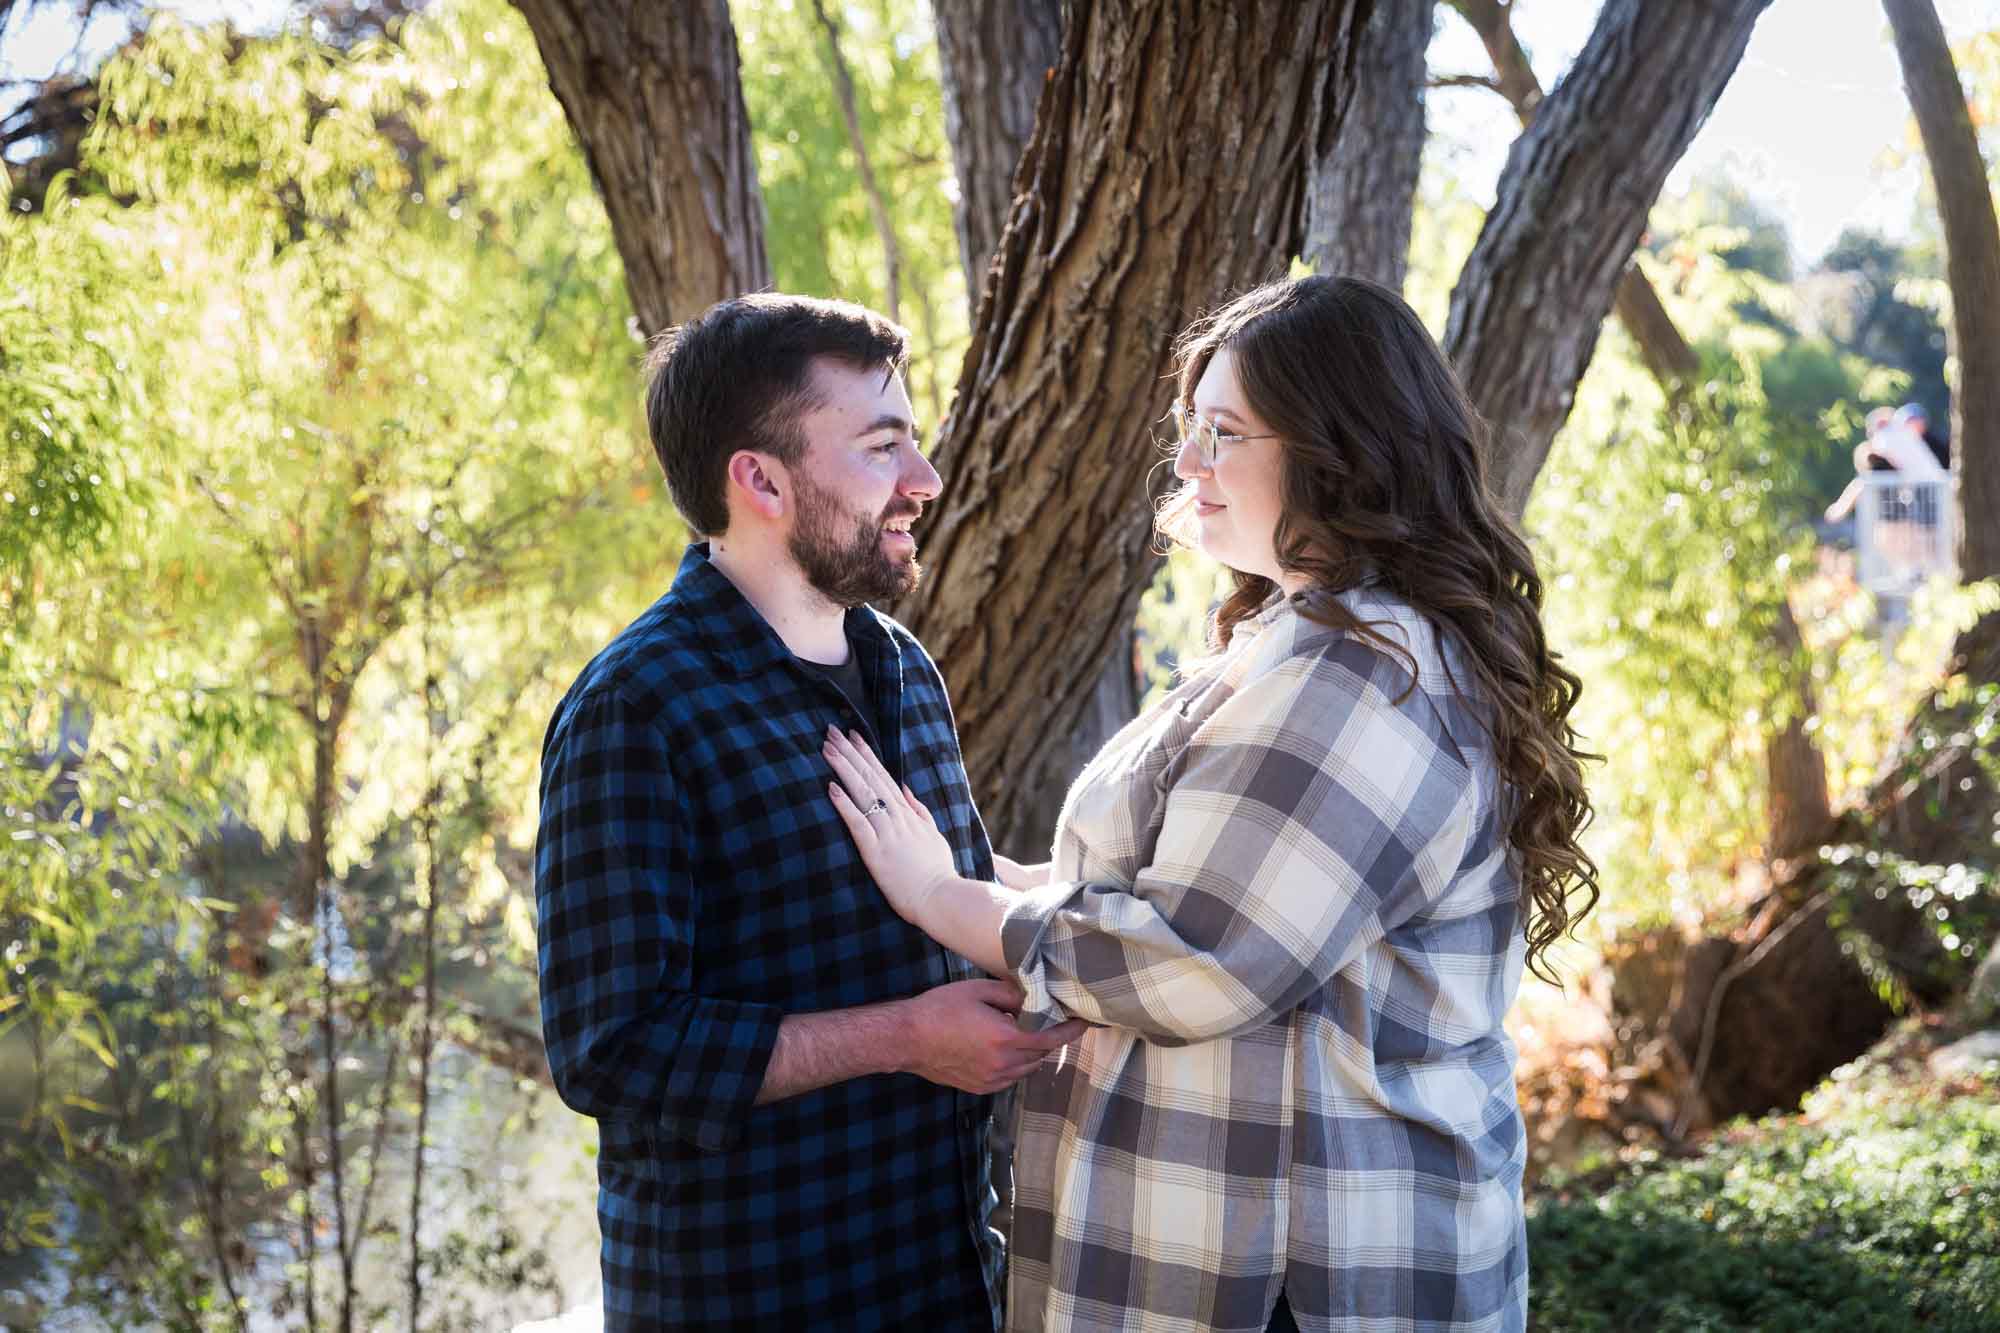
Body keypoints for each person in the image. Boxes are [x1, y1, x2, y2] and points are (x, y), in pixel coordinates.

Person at [822, 275, 1599, 1332]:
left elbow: (1200, 961)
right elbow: (1193, 891)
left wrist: (941, 899)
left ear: (1338, 453)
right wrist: (988, 879)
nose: (1186, 462)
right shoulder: (1294, 642)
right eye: (1190, 425)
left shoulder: (1362, 676)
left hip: (1290, 1277)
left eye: (1223, 431)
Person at [534, 293, 1085, 1331]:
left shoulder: (902, 669)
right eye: (882, 449)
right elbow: (610, 1049)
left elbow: (953, 877)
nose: (922, 482)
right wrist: (904, 1037)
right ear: (760, 480)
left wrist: (1123, 905)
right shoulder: (636, 708)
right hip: (758, 1300)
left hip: (946, 1280)